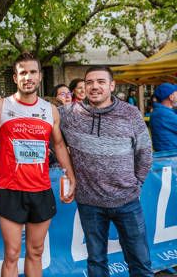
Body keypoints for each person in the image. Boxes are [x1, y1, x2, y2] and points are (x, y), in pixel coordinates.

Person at [0, 51, 76, 276]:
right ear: (15, 78)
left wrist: (70, 175)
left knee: (36, 251)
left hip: (41, 189)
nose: (28, 77)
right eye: (23, 73)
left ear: (40, 76)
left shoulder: (49, 110)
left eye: (32, 72)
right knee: (12, 253)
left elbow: (60, 145)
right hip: (11, 190)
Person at [59, 66, 153, 277]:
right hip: (90, 203)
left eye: (101, 82)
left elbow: (145, 154)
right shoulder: (69, 114)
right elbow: (37, 114)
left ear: (112, 85)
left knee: (140, 262)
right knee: (96, 262)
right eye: (89, 82)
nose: (95, 87)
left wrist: (135, 184)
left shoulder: (130, 113)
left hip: (127, 201)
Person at [149, 83, 177, 152]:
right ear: (171, 97)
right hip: (170, 157)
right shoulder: (164, 114)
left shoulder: (159, 111)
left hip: (165, 156)